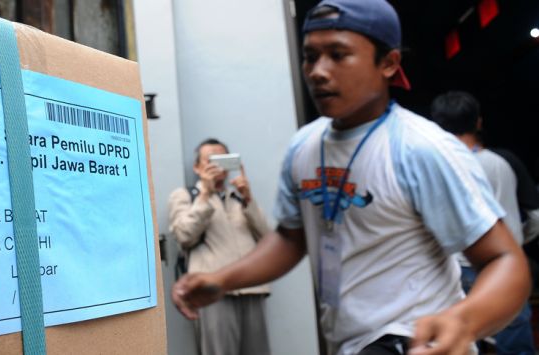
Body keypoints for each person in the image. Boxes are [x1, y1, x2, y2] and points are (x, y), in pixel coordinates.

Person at [171, 1, 531, 354]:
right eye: (311, 56)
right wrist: (221, 280)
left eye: (338, 55)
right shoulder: (304, 146)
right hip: (349, 341)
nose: (317, 71)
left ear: (389, 63)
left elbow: (506, 262)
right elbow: (290, 239)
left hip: (412, 339)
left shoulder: (421, 149)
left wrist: (463, 322)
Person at [431, 90, 538, 355]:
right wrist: (514, 242)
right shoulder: (504, 162)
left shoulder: (430, 166)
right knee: (515, 346)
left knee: (457, 344)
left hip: (452, 270)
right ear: (478, 123)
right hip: (506, 270)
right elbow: (535, 218)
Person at [168, 138, 272, 355]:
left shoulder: (238, 197)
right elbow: (184, 235)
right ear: (197, 167)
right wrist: (205, 194)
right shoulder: (186, 196)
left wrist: (248, 199)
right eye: (210, 160)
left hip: (252, 287)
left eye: (222, 159)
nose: (217, 166)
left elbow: (269, 240)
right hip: (212, 293)